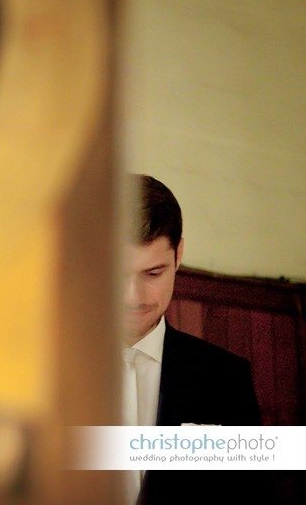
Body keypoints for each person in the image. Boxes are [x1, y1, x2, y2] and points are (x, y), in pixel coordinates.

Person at [124, 174, 274, 504]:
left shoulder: (225, 378)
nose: (133, 296)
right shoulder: (37, 373)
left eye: (153, 273)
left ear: (179, 255)